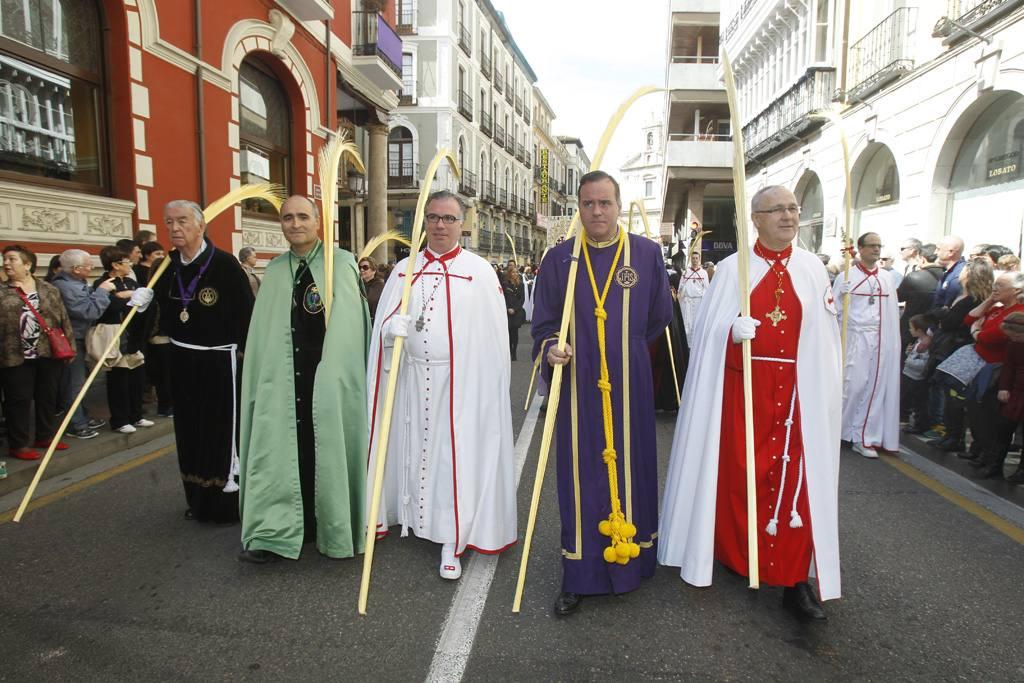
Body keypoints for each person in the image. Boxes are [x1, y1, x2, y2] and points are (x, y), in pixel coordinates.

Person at [659, 185, 842, 621]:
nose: (788, 216)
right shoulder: (731, 270)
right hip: (744, 392)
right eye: (776, 209)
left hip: (798, 397)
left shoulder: (813, 269)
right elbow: (703, 340)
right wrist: (729, 330)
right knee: (741, 477)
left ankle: (796, 580)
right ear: (755, 218)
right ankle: (738, 556)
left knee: (797, 484)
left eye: (793, 208)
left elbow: (824, 338)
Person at [532, 171, 673, 615]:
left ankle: (635, 562)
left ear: (618, 204)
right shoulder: (558, 260)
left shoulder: (647, 255)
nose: (597, 211)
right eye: (589, 204)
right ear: (579, 206)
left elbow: (659, 317)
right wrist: (552, 347)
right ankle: (580, 574)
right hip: (577, 384)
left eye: (605, 203)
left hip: (629, 385)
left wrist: (623, 351)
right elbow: (543, 323)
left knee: (633, 470)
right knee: (580, 476)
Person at [367, 190, 516, 580]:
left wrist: (481, 384)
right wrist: (387, 331)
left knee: (454, 458)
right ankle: (413, 518)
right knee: (412, 450)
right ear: (423, 222)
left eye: (448, 218)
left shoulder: (480, 271)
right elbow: (384, 324)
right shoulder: (404, 270)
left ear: (461, 224)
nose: (439, 225)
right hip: (411, 381)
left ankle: (452, 537)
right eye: (433, 217)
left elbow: (494, 339)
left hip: (460, 383)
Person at [238, 196, 370, 563]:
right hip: (283, 381)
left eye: (302, 217)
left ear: (317, 222)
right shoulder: (276, 270)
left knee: (325, 450)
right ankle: (275, 531)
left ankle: (332, 527)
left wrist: (334, 374)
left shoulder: (340, 264)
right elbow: (264, 334)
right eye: (287, 218)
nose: (294, 224)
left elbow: (349, 331)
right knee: (280, 451)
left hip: (324, 380)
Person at [146, 199, 255, 524]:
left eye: (181, 221)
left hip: (220, 363)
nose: (174, 229)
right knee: (189, 430)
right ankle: (196, 498)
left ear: (200, 225)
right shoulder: (167, 267)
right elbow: (160, 317)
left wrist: (248, 361)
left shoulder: (224, 265)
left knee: (220, 432)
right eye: (169, 222)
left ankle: (225, 502)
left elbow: (246, 316)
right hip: (182, 362)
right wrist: (140, 307)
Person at [1, 245, 75, 460]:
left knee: (47, 397)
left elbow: (62, 318)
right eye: (4, 260)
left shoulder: (48, 289)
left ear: (28, 264)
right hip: (14, 354)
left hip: (47, 352)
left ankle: (45, 436)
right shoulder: (2, 291)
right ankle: (19, 444)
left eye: (12, 259)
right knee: (18, 401)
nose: (6, 263)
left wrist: (70, 346)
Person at [833, 232, 902, 458]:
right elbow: (832, 311)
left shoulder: (887, 278)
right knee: (851, 386)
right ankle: (839, 430)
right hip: (854, 337)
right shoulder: (846, 275)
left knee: (874, 387)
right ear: (860, 249)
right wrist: (839, 297)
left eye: (879, 246)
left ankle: (864, 436)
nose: (876, 250)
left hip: (879, 338)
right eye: (872, 245)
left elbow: (891, 313)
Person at [954, 271, 1024, 479]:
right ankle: (992, 462)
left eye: (1000, 286)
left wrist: (977, 333)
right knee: (1000, 425)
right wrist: (1004, 388)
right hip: (1010, 386)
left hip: (1010, 380)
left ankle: (1019, 470)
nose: (995, 289)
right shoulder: (1000, 312)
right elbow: (970, 320)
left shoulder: (1018, 313)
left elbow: (987, 336)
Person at [51, 249, 113, 439]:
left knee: (79, 383)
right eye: (88, 264)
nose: (92, 267)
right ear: (77, 269)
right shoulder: (67, 287)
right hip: (72, 341)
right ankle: (76, 424)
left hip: (80, 337)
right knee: (75, 384)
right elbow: (88, 312)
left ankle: (82, 417)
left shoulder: (73, 282)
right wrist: (102, 291)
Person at [91, 245, 152, 434]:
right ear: (116, 265)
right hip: (115, 336)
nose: (130, 264)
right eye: (126, 262)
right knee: (118, 381)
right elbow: (109, 307)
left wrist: (127, 296)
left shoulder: (131, 283)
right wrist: (126, 299)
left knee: (136, 379)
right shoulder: (102, 283)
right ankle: (119, 420)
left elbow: (143, 303)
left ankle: (136, 415)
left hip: (133, 335)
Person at [995, 311, 1024, 483]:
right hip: (1016, 391)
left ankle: (1021, 472)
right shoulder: (1014, 344)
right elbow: (1008, 366)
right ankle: (995, 465)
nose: (1015, 339)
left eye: (1018, 336)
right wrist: (1004, 387)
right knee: (1004, 428)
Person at [897, 243, 943, 349]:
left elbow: (899, 297)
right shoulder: (947, 276)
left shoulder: (915, 277)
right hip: (934, 328)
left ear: (922, 258)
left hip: (912, 327)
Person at [901, 314, 933, 435]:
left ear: (919, 330)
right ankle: (915, 423)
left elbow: (923, 363)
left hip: (917, 377)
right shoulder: (918, 342)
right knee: (913, 401)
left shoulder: (924, 346)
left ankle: (920, 425)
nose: (910, 330)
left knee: (919, 403)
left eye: (911, 328)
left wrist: (908, 360)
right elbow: (913, 354)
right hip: (910, 374)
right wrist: (908, 352)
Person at [679, 250, 709, 341]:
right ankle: (687, 343)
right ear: (691, 259)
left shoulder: (704, 273)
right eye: (693, 258)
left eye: (696, 258)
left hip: (698, 301)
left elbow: (707, 288)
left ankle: (696, 342)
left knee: (697, 322)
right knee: (687, 322)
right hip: (687, 301)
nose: (695, 260)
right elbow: (681, 287)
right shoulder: (685, 272)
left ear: (699, 259)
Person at [933, 235, 966, 309]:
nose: (935, 252)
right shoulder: (947, 271)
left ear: (951, 252)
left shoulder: (961, 274)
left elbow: (949, 307)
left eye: (938, 249)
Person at [503, 260, 526, 361]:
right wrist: (508, 308)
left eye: (516, 272)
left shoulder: (521, 285)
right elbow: (503, 297)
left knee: (515, 333)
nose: (515, 274)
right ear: (509, 273)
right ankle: (508, 351)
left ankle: (514, 352)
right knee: (508, 333)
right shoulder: (505, 284)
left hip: (516, 312)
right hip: (507, 312)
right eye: (513, 272)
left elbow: (522, 299)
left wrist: (514, 309)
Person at [358, 255, 384, 320]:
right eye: (360, 267)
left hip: (373, 322)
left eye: (365, 267)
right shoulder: (359, 283)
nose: (361, 269)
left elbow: (368, 300)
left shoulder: (379, 285)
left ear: (374, 270)